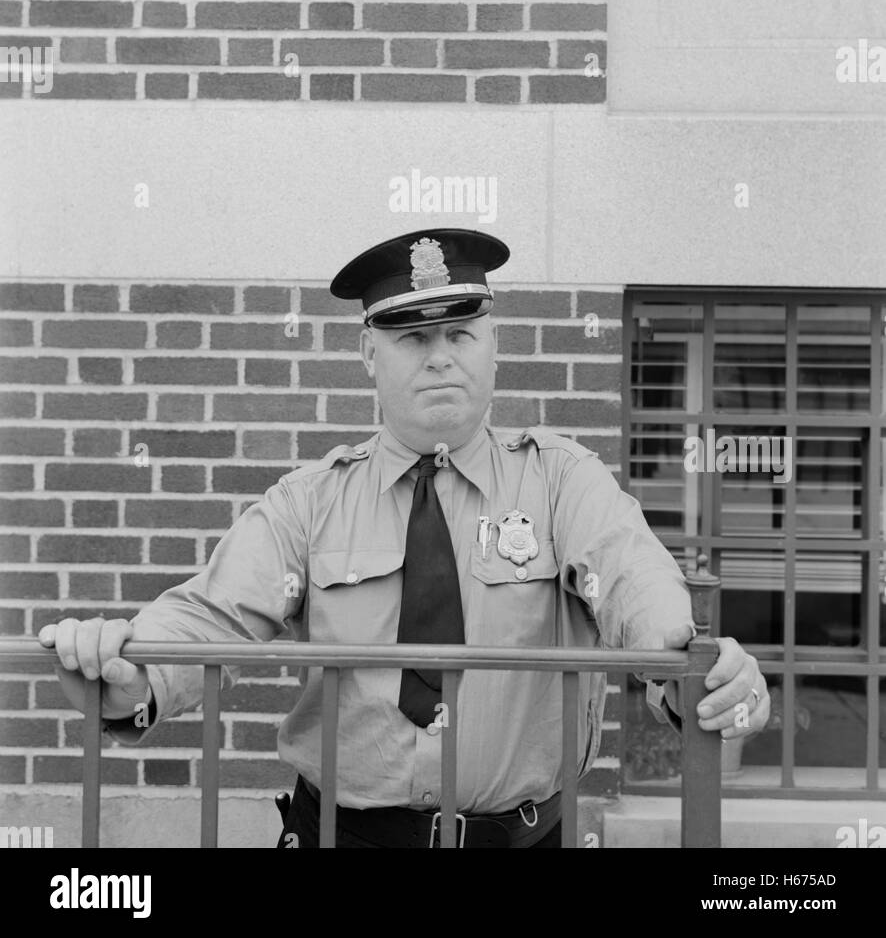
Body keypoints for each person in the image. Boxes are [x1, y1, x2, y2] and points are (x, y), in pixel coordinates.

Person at [39, 229, 770, 849]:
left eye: (460, 333)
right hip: (344, 837)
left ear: (492, 346)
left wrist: (687, 664)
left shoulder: (560, 482)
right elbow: (211, 616)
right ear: (368, 355)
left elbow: (630, 574)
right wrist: (132, 672)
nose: (440, 355)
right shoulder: (310, 502)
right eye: (413, 337)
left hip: (518, 838)